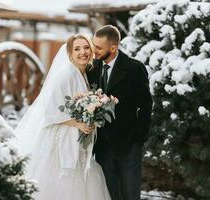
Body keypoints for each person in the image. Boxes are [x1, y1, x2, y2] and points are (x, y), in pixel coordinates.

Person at [15, 34, 111, 200]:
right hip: (61, 140)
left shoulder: (83, 74)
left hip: (78, 139)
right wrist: (78, 124)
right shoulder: (66, 76)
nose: (83, 52)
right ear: (70, 53)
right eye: (77, 49)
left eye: (86, 47)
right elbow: (50, 112)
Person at [87, 25, 153, 200]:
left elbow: (146, 105)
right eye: (94, 45)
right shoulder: (92, 68)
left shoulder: (134, 69)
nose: (94, 51)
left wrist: (139, 139)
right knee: (108, 195)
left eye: (98, 47)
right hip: (102, 147)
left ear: (113, 48)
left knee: (130, 195)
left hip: (128, 145)